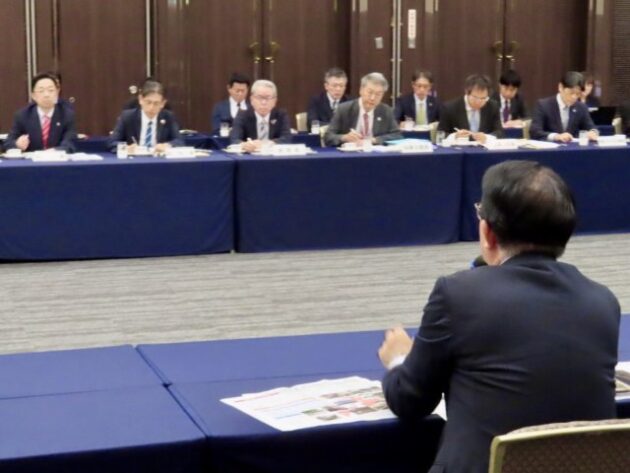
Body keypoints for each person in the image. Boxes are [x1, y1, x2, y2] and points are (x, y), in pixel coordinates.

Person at [378, 160, 620, 473]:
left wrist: (399, 360)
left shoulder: (458, 294)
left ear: (488, 232)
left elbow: (409, 401)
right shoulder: (603, 302)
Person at [3, 72, 77, 153]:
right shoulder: (23, 115)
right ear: (33, 96)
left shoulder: (67, 115)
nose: (46, 95)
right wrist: (17, 144)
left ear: (57, 93)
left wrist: (54, 151)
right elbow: (7, 143)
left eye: (51, 90)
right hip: (31, 160)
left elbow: (70, 143)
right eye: (41, 91)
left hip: (57, 159)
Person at [324, 72, 401, 147]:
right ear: (361, 90)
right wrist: (344, 137)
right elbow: (328, 137)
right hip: (350, 152)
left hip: (375, 152)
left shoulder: (386, 111)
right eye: (370, 92)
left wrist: (374, 140)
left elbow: (397, 135)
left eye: (378, 94)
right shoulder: (344, 109)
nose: (372, 98)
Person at [108, 80, 183, 154]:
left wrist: (167, 145)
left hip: (158, 159)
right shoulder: (127, 117)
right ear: (140, 100)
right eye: (148, 102)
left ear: (163, 103)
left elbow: (179, 141)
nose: (151, 107)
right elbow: (112, 142)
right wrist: (126, 148)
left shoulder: (168, 117)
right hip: (134, 159)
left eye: (156, 103)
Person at [530, 71, 598, 142]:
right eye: (571, 93)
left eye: (578, 94)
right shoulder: (543, 105)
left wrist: (593, 132)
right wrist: (556, 136)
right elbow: (534, 132)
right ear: (560, 87)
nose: (574, 97)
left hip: (573, 147)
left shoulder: (581, 107)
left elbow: (592, 127)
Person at [438, 74, 503, 144]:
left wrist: (487, 137)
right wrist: (455, 136)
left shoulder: (493, 106)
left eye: (483, 98)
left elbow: (499, 132)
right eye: (475, 97)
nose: (478, 102)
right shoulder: (450, 108)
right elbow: (440, 134)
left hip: (484, 148)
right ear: (467, 92)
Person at [229, 79, 291, 152]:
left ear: (275, 100)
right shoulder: (242, 116)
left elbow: (287, 139)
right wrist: (244, 145)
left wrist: (267, 144)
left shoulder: (281, 115)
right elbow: (234, 139)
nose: (263, 102)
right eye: (259, 97)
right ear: (251, 99)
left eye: (268, 98)